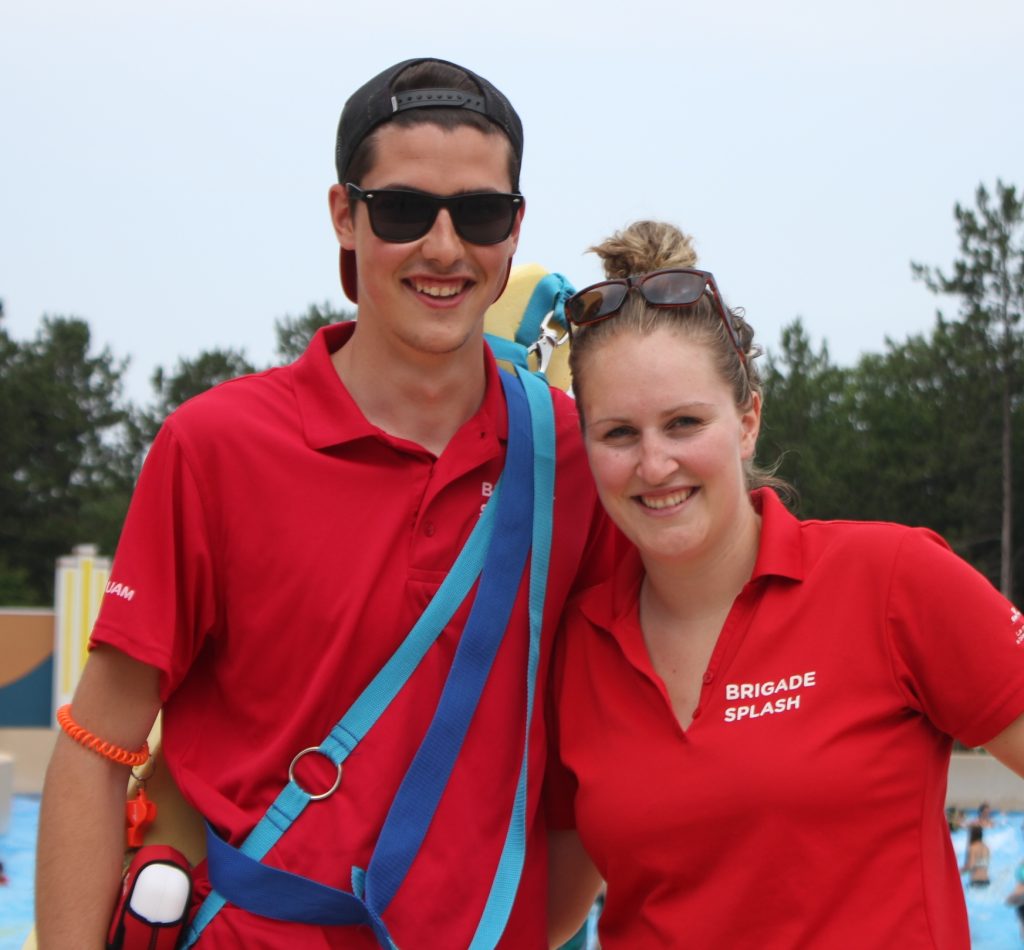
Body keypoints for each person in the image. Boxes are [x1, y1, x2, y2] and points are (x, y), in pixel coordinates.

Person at [36, 57, 612, 949]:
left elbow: (601, 777)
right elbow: (97, 745)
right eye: (404, 210)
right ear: (344, 215)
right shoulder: (215, 445)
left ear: (515, 227)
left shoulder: (581, 460)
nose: (444, 248)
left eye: (480, 213)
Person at [545, 219, 1024, 948]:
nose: (654, 464)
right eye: (619, 433)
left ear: (747, 421)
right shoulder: (576, 646)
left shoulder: (891, 581)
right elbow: (548, 913)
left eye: (684, 423)